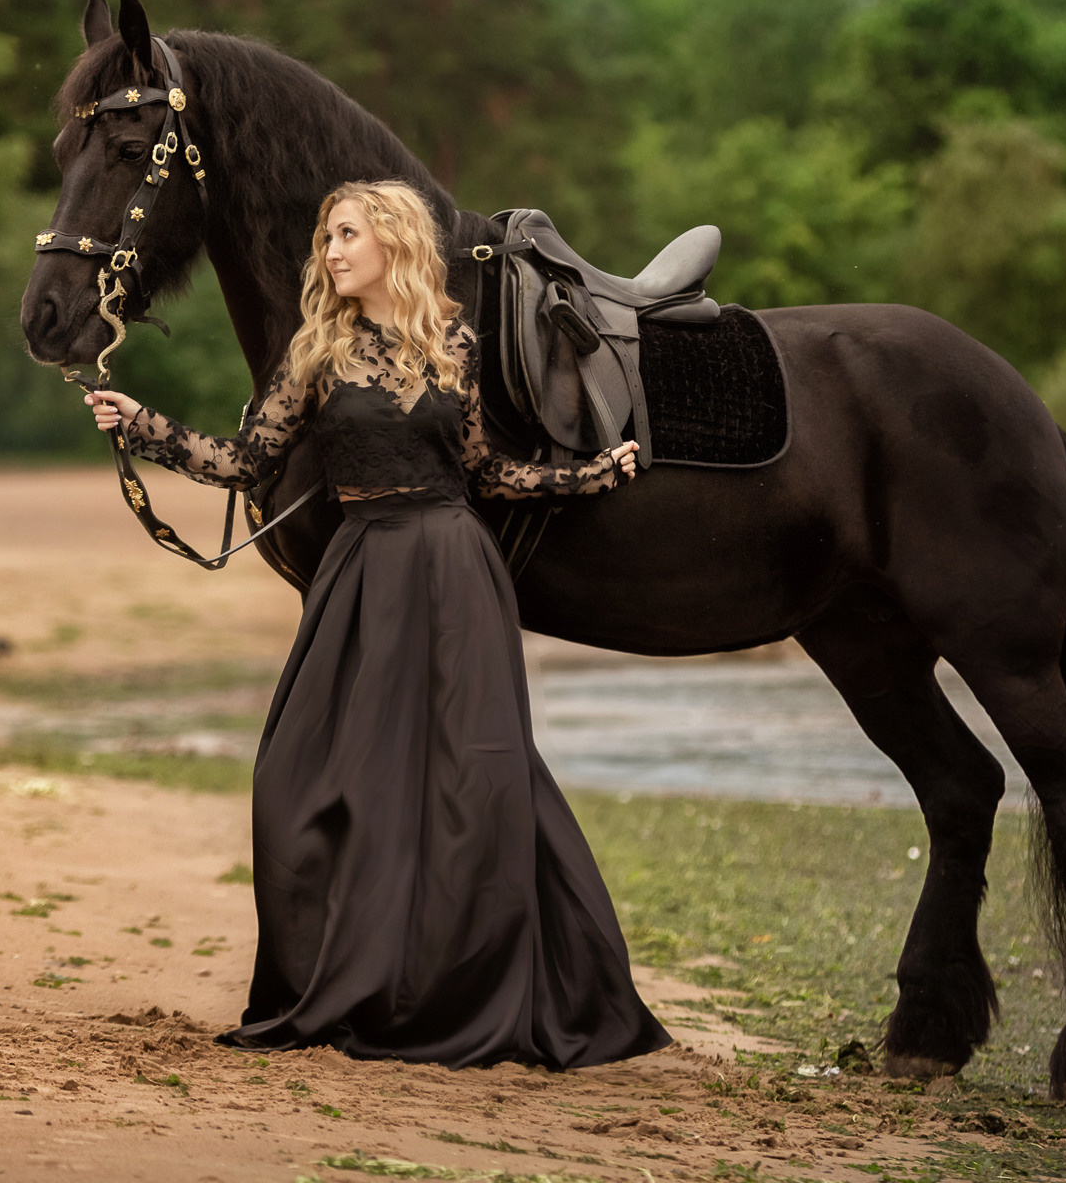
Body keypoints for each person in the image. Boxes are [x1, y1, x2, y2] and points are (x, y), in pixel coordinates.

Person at [83, 179, 670, 1071]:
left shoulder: (454, 342)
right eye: (326, 239)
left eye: (346, 234)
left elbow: (487, 472)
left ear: (393, 240)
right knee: (302, 777)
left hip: (455, 570)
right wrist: (144, 426)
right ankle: (349, 975)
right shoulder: (314, 351)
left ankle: (471, 986)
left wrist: (589, 475)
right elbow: (246, 462)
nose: (331, 252)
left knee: (475, 780)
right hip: (362, 571)